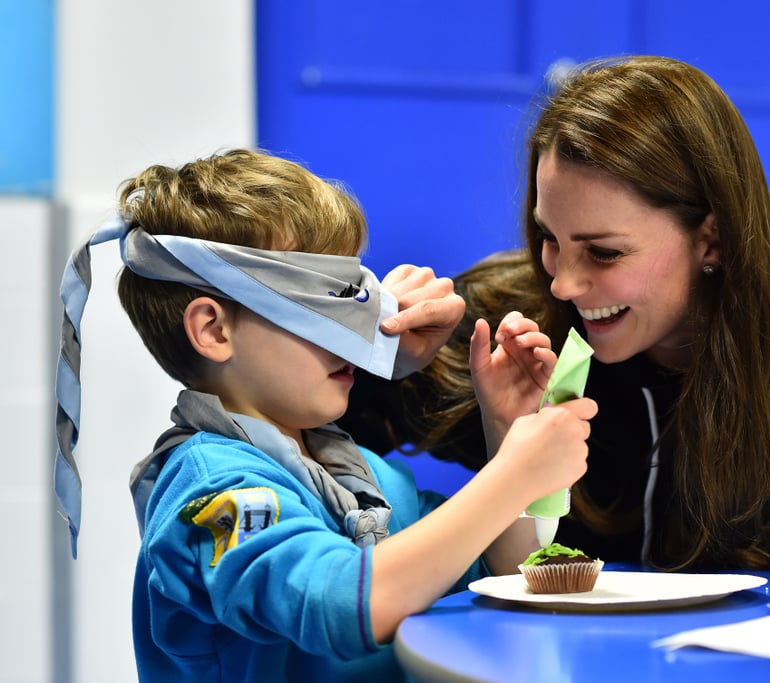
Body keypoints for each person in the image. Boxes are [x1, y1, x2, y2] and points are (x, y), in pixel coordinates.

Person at [339, 55, 770, 571]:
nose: (564, 282)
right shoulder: (515, 331)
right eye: (549, 238)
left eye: (604, 251)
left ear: (711, 238)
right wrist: (382, 355)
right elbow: (289, 417)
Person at [52, 149, 597, 681]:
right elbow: (338, 603)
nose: (353, 331)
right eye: (321, 306)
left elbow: (500, 569)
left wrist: (506, 435)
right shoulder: (215, 490)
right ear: (214, 330)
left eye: (358, 299)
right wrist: (514, 474)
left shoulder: (368, 476)